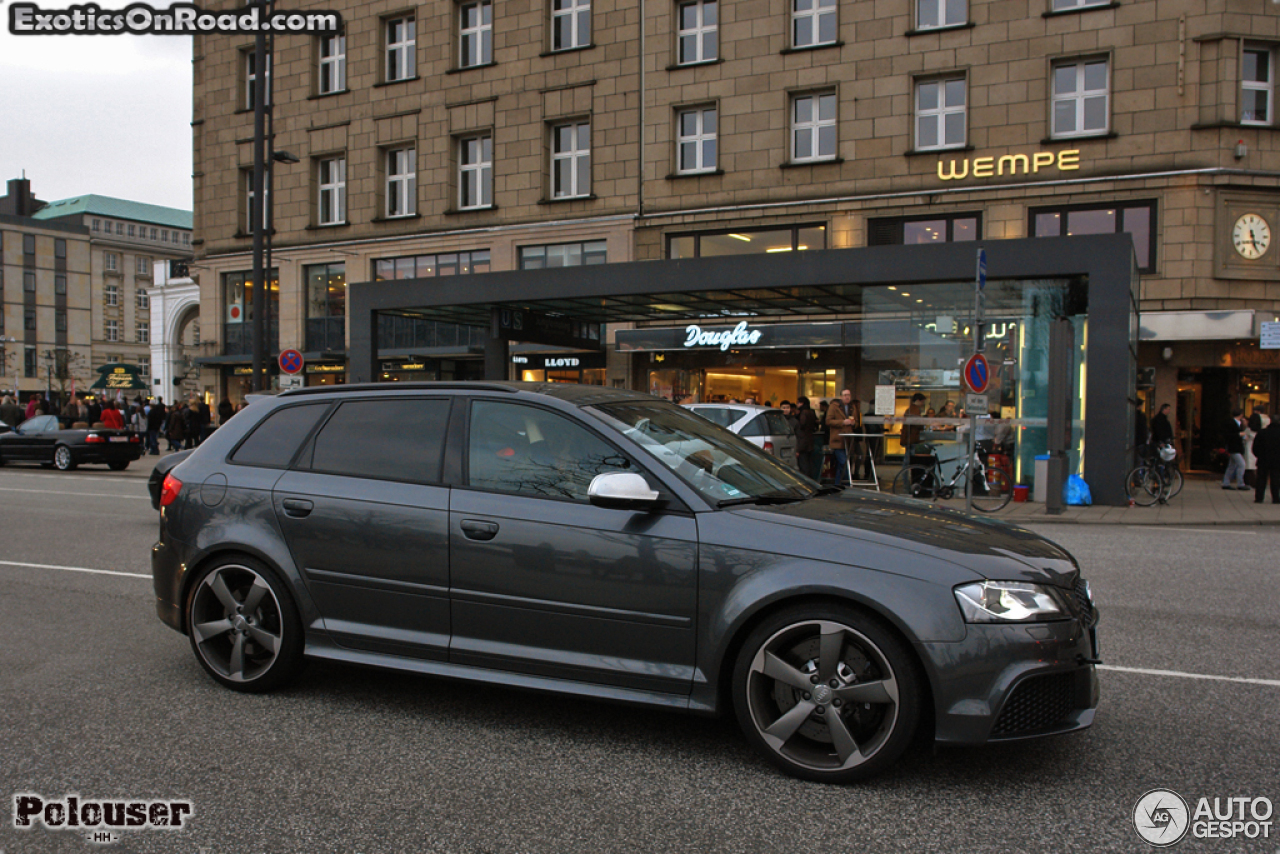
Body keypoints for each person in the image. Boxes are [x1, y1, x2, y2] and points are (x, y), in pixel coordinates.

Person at [825, 389, 860, 487]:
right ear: (841, 396)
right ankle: (848, 484)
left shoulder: (852, 407)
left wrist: (854, 423)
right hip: (838, 440)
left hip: (848, 440)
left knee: (843, 465)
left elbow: (857, 423)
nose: (847, 397)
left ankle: (838, 484)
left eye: (848, 395)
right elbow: (828, 421)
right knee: (844, 462)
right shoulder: (834, 407)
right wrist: (842, 422)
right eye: (845, 395)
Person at [1252, 416, 1280, 503]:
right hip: (1277, 460)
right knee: (1276, 479)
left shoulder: (1262, 432)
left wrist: (1258, 455)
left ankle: (1259, 497)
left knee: (1261, 479)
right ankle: (1275, 498)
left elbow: (1255, 447)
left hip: (1263, 459)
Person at [795, 396, 821, 480]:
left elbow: (802, 425)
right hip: (810, 440)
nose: (797, 404)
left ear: (801, 403)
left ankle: (806, 481)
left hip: (803, 441)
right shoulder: (811, 412)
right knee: (809, 463)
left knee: (804, 464)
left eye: (798, 403)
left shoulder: (803, 413)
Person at [1223, 409, 1248, 490]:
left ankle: (1225, 483)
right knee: (1241, 464)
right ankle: (1240, 483)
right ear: (1241, 414)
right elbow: (1228, 435)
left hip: (1237, 447)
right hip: (1233, 447)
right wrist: (1239, 434)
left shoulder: (1239, 423)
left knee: (1232, 465)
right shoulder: (1231, 423)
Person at [901, 393, 927, 466]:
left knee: (908, 457)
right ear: (918, 401)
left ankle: (905, 475)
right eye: (922, 402)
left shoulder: (910, 409)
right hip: (912, 437)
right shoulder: (914, 410)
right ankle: (906, 476)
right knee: (910, 458)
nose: (922, 404)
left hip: (909, 437)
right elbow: (917, 423)